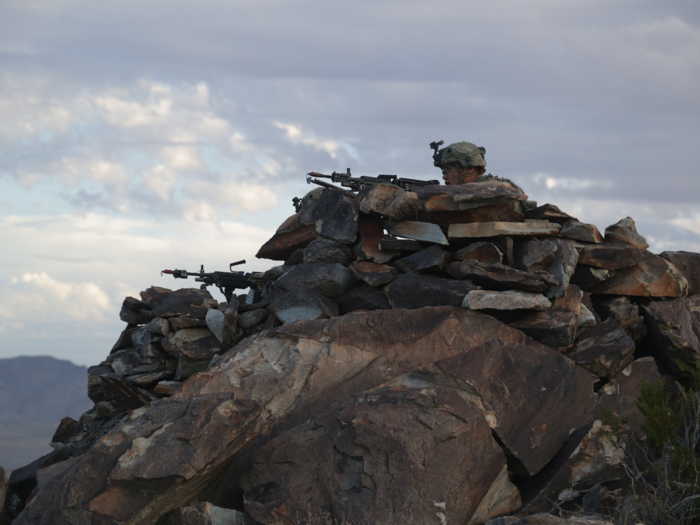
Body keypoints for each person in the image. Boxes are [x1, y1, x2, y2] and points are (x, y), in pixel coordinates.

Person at [432, 141, 536, 210]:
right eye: (443, 171)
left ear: (469, 168)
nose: (444, 177)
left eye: (448, 170)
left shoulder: (497, 187)